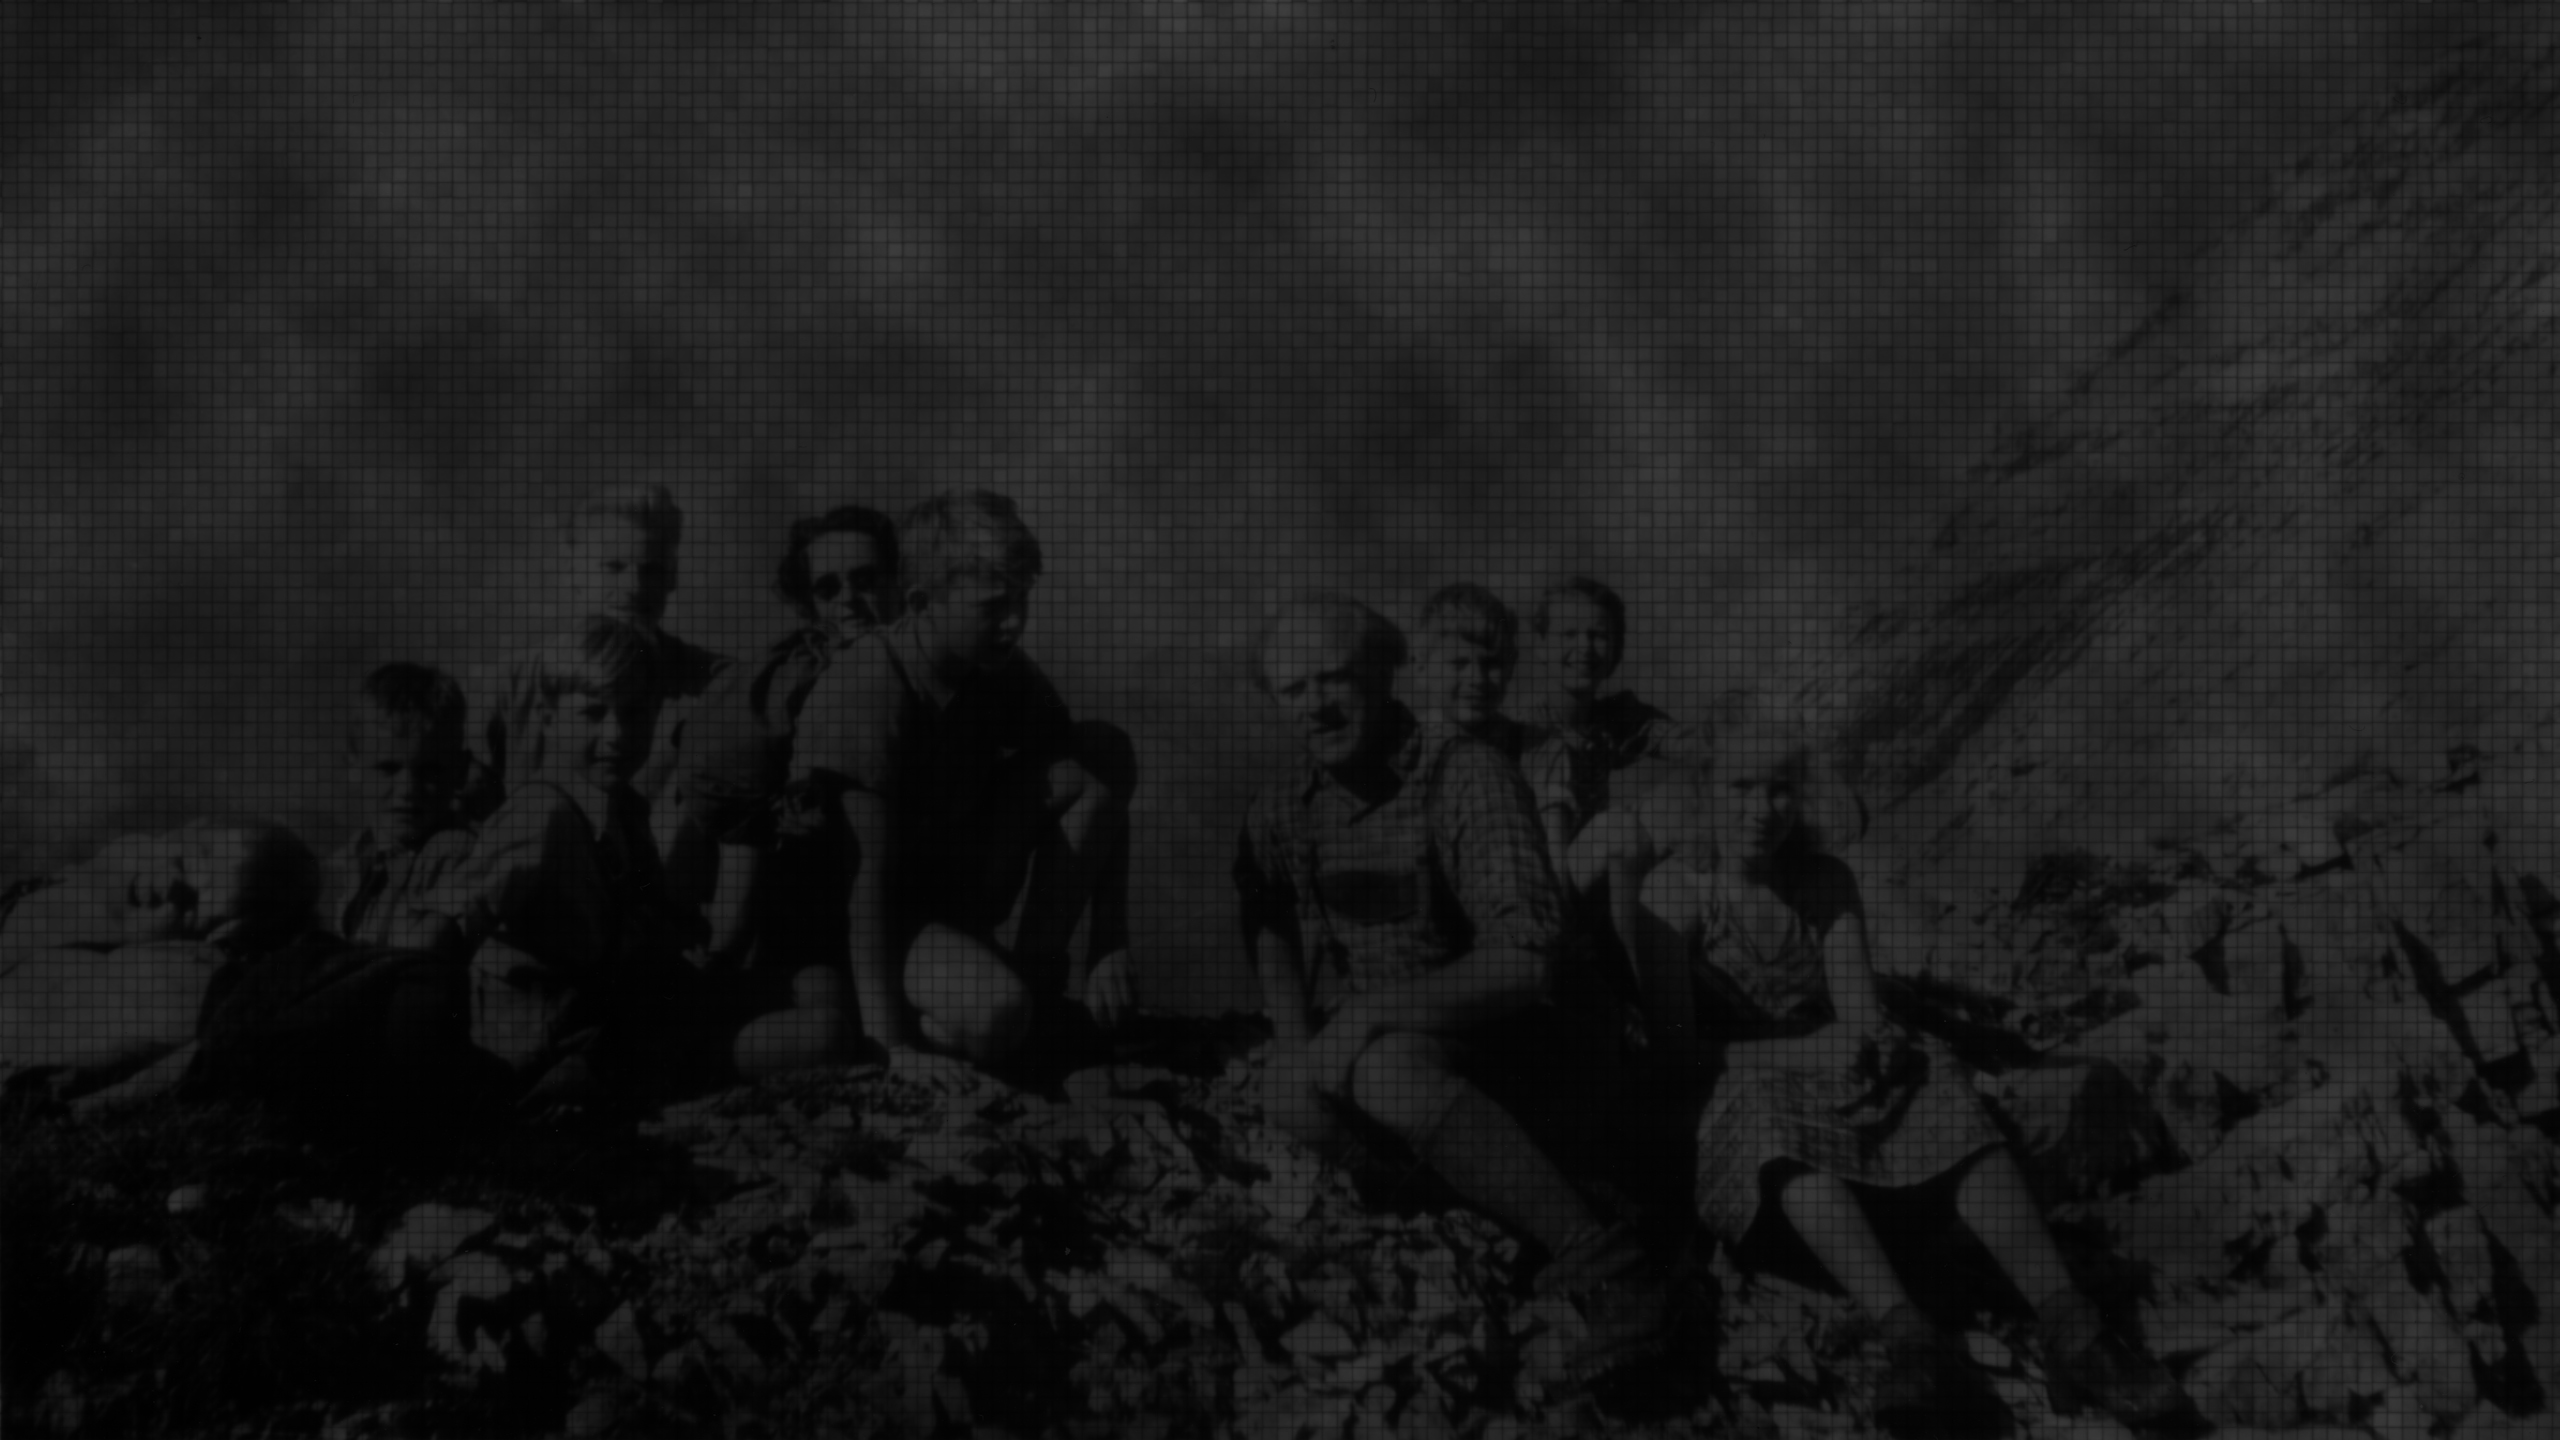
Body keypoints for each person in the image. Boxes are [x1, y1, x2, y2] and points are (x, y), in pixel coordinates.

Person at [1628, 729, 2193, 1429]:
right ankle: (1911, 1343)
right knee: (1770, 1115)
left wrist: (1874, 1044)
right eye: (1740, 788)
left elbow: (1859, 1008)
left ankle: (2074, 1331)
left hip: (1830, 1066)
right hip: (1735, 1091)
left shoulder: (1822, 880)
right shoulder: (1673, 894)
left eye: (1779, 790)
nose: (1761, 809)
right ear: (1705, 794)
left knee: (1933, 1073)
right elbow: (1676, 1055)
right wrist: (1807, 1054)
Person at [1233, 591, 1678, 1383]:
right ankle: (1511, 1204)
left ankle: (1616, 1268)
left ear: (1385, 674)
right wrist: (1296, 1039)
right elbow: (1263, 901)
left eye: (1334, 679)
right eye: (1293, 689)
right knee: (1290, 1092)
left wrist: (1364, 1018)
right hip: (1435, 1055)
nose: (1316, 706)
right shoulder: (1288, 805)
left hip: (1541, 1048)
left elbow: (1527, 962)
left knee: (1385, 1069)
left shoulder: (1463, 773)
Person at [406, 620, 850, 1114]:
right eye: (593, 713)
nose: (616, 735)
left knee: (822, 982)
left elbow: (645, 917)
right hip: (571, 1046)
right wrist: (415, 1050)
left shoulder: (623, 808)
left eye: (635, 713)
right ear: (548, 718)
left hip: (631, 1007)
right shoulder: (540, 815)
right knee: (827, 1033)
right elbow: (444, 925)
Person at [785, 490, 1137, 1072]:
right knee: (999, 1016)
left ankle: (1036, 986)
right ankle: (914, 1022)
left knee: (1100, 753)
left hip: (941, 893)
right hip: (860, 924)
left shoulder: (996, 667)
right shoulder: (868, 685)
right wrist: (891, 1048)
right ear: (922, 603)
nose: (1014, 622)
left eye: (1021, 601)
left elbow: (1099, 779)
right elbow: (866, 882)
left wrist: (1109, 940)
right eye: (994, 607)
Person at [657, 506, 902, 953]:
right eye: (828, 588)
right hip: (790, 881)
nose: (848, 598)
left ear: (898, 581)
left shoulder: (933, 663)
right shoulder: (801, 671)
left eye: (865, 579)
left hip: (898, 894)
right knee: (718, 949)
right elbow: (728, 765)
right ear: (811, 603)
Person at [471, 484, 733, 819]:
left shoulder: (718, 684)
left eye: (651, 570)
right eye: (613, 567)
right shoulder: (511, 683)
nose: (634, 588)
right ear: (573, 573)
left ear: (673, 576)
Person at [1413, 584, 1531, 764]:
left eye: (1491, 663)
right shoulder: (1401, 752)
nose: (1477, 678)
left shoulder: (1533, 748)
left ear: (1510, 667)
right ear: (1421, 667)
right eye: (1459, 663)